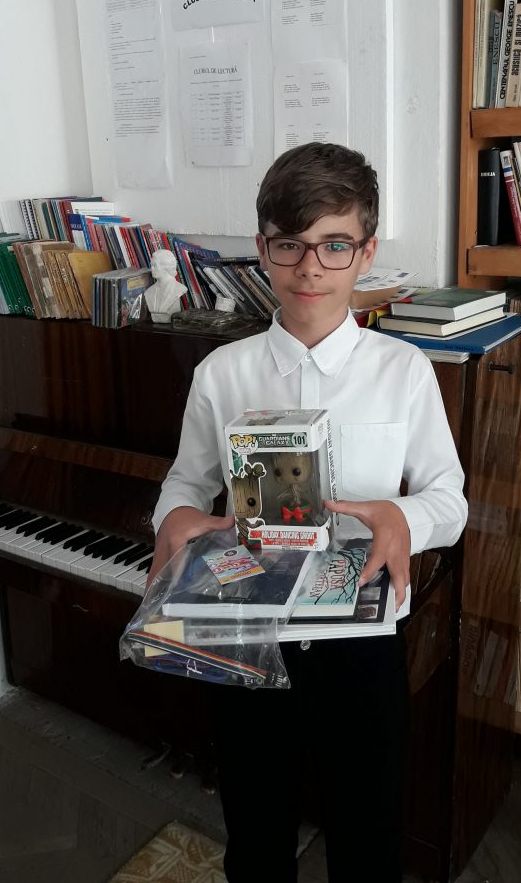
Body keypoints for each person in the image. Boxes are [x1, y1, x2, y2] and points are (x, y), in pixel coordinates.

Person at [149, 142, 468, 883]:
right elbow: (185, 484)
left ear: (366, 252)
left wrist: (404, 519)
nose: (311, 268)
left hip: (363, 643)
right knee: (256, 835)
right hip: (252, 634)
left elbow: (448, 499)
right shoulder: (222, 374)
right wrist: (173, 519)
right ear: (263, 249)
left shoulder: (403, 371)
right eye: (290, 244)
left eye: (334, 245)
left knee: (369, 838)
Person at [144, 249, 187, 322]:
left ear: (166, 266)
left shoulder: (179, 289)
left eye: (154, 265)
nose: (151, 269)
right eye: (151, 265)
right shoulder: (149, 292)